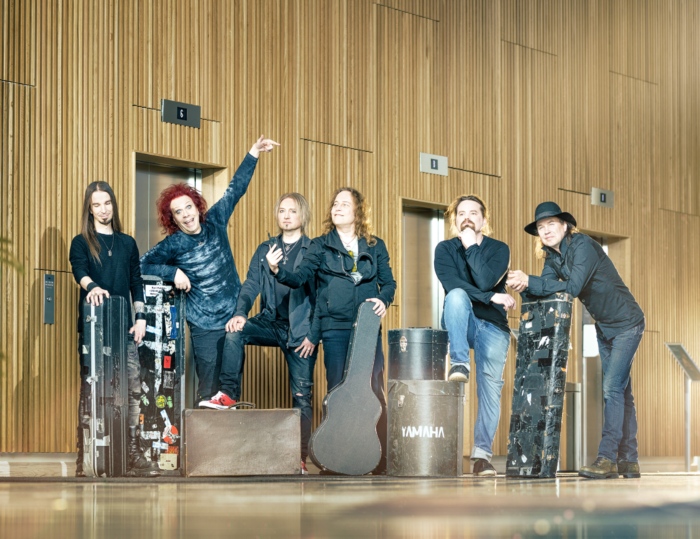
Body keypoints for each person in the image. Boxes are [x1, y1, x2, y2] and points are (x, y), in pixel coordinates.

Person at [507, 201, 645, 480]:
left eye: (551, 224)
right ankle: (629, 461)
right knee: (622, 393)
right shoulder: (552, 257)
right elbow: (546, 289)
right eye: (541, 227)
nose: (546, 231)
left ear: (565, 225)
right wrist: (520, 288)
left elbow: (571, 288)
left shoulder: (583, 245)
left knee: (611, 389)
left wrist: (530, 280)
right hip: (604, 327)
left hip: (627, 323)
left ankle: (607, 459)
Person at [267, 187, 396, 474]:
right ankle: (336, 458)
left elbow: (389, 283)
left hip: (367, 328)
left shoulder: (375, 245)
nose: (337, 208)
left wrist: (383, 299)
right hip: (334, 328)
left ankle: (381, 458)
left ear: (358, 211)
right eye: (335, 204)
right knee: (338, 391)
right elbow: (300, 277)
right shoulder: (320, 245)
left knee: (373, 389)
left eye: (344, 204)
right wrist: (277, 271)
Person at [140, 136, 279, 404]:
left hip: (233, 320)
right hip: (204, 326)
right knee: (208, 393)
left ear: (197, 207)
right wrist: (173, 273)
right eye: (178, 212)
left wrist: (253, 152)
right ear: (173, 219)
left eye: (188, 207)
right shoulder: (173, 244)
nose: (186, 215)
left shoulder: (215, 220)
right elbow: (142, 265)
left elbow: (235, 189)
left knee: (229, 394)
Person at [200, 193, 317, 474]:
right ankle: (228, 394)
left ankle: (300, 458)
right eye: (282, 210)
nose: (286, 215)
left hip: (300, 332)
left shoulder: (313, 250)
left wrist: (314, 335)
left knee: (302, 397)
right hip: (270, 322)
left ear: (303, 216)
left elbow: (320, 296)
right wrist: (240, 312)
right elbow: (251, 284)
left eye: (292, 211)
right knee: (235, 331)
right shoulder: (266, 248)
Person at [69, 182, 160, 477]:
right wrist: (92, 287)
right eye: (96, 205)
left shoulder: (127, 243)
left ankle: (131, 453)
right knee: (92, 389)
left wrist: (141, 317)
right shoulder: (81, 242)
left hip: (124, 328)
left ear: (113, 204)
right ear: (89, 209)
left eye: (107, 203)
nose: (103, 209)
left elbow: (136, 282)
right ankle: (85, 458)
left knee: (131, 388)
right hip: (94, 329)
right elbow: (79, 271)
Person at [433, 194, 516, 477]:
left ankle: (481, 456)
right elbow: (453, 285)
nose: (466, 218)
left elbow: (484, 279)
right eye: (461, 213)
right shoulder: (444, 249)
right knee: (456, 295)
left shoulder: (499, 249)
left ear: (484, 219)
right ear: (454, 220)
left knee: (490, 390)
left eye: (473, 213)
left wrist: (471, 246)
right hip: (462, 322)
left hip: (493, 327)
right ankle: (459, 362)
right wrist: (491, 297)